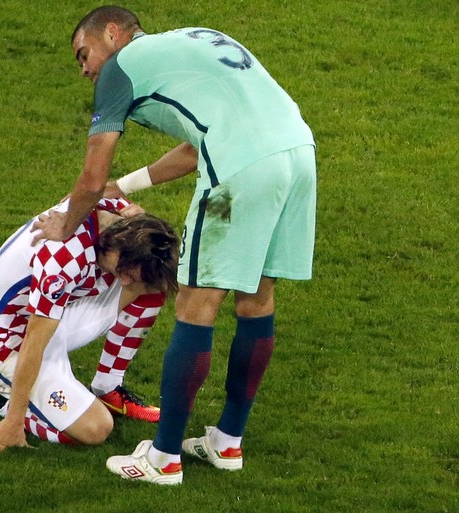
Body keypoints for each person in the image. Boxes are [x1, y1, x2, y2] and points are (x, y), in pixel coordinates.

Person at [31, 6, 317, 484]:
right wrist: (126, 187)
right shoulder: (195, 39)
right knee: (256, 299)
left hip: (242, 167)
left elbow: (90, 176)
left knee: (194, 302)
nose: (85, 70)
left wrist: (66, 223)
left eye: (84, 54)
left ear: (113, 32)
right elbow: (196, 144)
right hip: (298, 155)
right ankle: (226, 443)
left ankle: (162, 458)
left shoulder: (120, 69)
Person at [0, 197, 179, 451]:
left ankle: (108, 386)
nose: (124, 282)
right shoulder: (62, 262)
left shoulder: (117, 214)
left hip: (50, 318)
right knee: (96, 429)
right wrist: (15, 420)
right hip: (6, 342)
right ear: (119, 244)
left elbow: (108, 188)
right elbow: (34, 342)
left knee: (154, 285)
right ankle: (3, 401)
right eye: (124, 270)